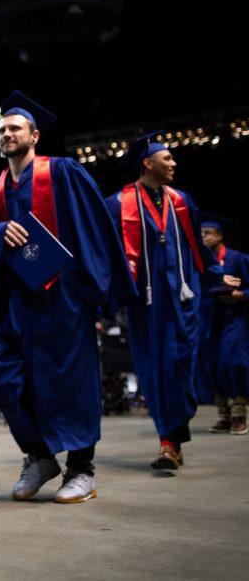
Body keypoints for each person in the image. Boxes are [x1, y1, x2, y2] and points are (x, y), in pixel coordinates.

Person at [0, 91, 132, 504]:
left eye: (14, 128)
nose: (6, 135)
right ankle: (39, 456)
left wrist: (94, 289)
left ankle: (81, 468)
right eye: (1, 130)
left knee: (69, 381)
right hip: (18, 305)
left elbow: (96, 226)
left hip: (63, 300)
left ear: (34, 135)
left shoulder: (63, 173)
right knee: (4, 371)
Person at [104, 135, 227, 470]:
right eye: (168, 158)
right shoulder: (118, 204)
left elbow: (197, 247)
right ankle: (169, 441)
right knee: (157, 369)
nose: (174, 164)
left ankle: (174, 434)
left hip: (184, 297)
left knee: (180, 364)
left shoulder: (182, 201)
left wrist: (216, 276)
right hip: (146, 303)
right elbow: (106, 252)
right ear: (148, 163)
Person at [199, 221, 248, 435]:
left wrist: (241, 295)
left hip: (235, 318)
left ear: (219, 235)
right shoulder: (202, 262)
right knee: (213, 365)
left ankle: (239, 414)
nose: (204, 237)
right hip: (210, 319)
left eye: (208, 233)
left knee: (234, 362)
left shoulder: (238, 259)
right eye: (200, 234)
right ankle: (224, 415)